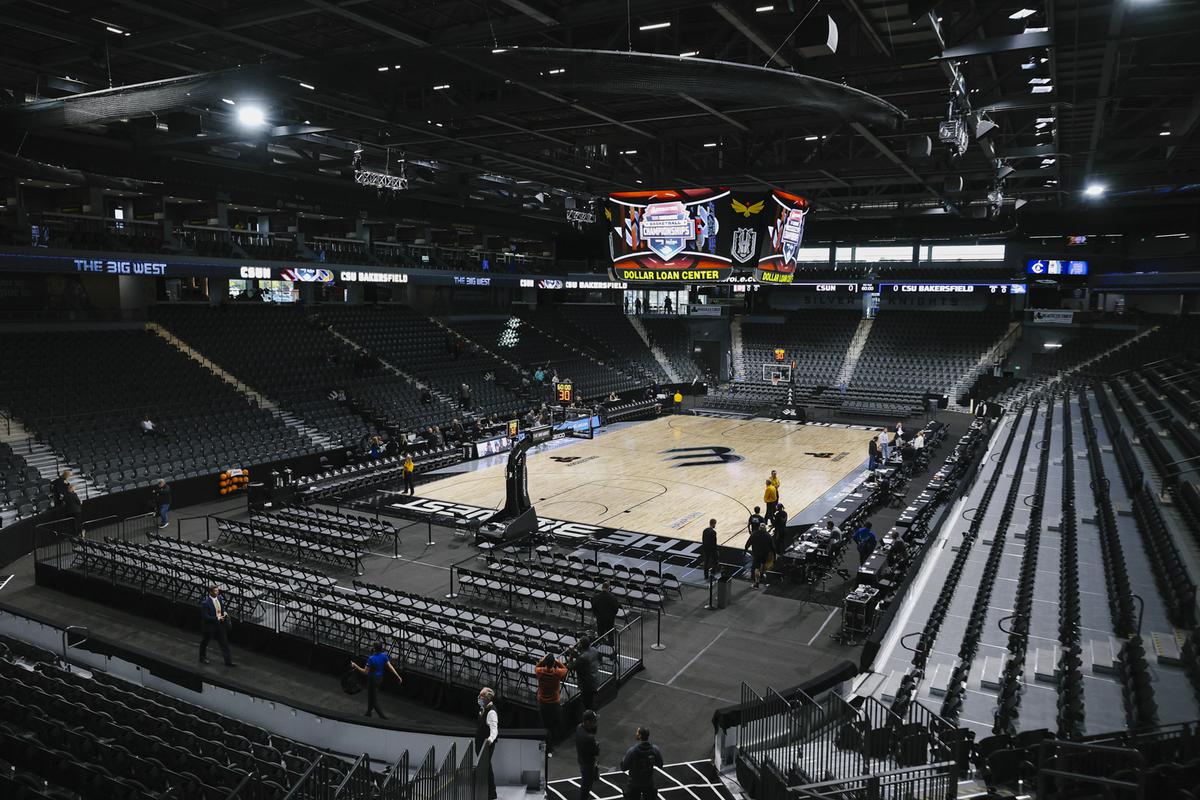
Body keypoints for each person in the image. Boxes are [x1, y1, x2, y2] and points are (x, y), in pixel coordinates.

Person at [349, 641, 403, 718]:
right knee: (370, 695)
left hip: (372, 680)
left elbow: (365, 672)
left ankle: (383, 718)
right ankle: (368, 712)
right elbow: (390, 667)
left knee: (374, 701)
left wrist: (355, 665)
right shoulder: (384, 656)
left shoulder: (371, 659)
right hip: (379, 679)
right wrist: (398, 676)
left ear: (374, 649)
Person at [535, 653, 569, 754]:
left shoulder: (539, 672)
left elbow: (537, 666)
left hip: (543, 703)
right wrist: (558, 662)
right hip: (554, 703)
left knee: (546, 725)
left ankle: (548, 746)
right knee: (555, 723)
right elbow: (565, 669)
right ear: (553, 663)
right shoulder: (557, 673)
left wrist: (543, 660)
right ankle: (555, 742)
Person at [621, 727, 664, 800]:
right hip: (648, 783)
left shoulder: (632, 751)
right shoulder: (654, 749)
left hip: (634, 784)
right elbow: (660, 764)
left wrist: (623, 760)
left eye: (637, 732)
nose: (636, 734)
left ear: (640, 736)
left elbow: (624, 768)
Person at [199, 586, 235, 666]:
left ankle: (228, 662)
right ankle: (202, 658)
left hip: (220, 625)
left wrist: (224, 612)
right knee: (205, 642)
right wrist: (217, 618)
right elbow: (205, 616)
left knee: (224, 643)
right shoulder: (205, 603)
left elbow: (222, 608)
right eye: (215, 591)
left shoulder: (219, 598)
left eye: (217, 590)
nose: (217, 592)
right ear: (211, 592)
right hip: (209, 627)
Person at [475, 687, 499, 800]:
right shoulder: (483, 708)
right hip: (480, 742)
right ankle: (487, 791)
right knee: (484, 767)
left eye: (481, 695)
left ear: (487, 698)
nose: (479, 697)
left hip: (486, 744)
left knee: (487, 767)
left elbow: (494, 730)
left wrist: (489, 739)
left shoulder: (491, 712)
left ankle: (492, 793)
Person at [571, 636, 601, 712]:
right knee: (591, 701)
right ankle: (592, 715)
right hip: (594, 680)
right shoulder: (594, 650)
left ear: (581, 645)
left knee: (587, 704)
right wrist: (577, 653)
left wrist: (571, 654)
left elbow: (571, 666)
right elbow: (585, 660)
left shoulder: (583, 658)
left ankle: (590, 717)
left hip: (586, 685)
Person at [576, 709, 600, 800]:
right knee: (586, 786)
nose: (595, 723)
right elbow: (596, 752)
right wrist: (596, 745)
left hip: (581, 759)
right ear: (587, 722)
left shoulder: (579, 728)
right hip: (588, 764)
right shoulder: (589, 739)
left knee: (585, 783)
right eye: (593, 721)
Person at [745, 523, 775, 589]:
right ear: (765, 529)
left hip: (757, 554)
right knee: (763, 564)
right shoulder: (768, 535)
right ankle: (761, 575)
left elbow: (748, 543)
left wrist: (745, 550)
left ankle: (757, 583)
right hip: (765, 554)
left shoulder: (754, 534)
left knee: (757, 568)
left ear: (759, 528)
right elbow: (772, 547)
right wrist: (774, 556)